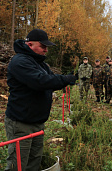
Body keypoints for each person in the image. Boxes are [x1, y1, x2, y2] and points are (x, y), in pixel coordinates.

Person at [5, 29, 76, 170]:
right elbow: (40, 81)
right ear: (30, 44)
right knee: (18, 165)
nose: (46, 50)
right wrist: (65, 79)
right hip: (21, 123)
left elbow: (49, 82)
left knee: (34, 162)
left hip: (37, 122)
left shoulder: (40, 64)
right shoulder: (20, 62)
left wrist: (64, 79)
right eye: (43, 46)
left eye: (47, 47)